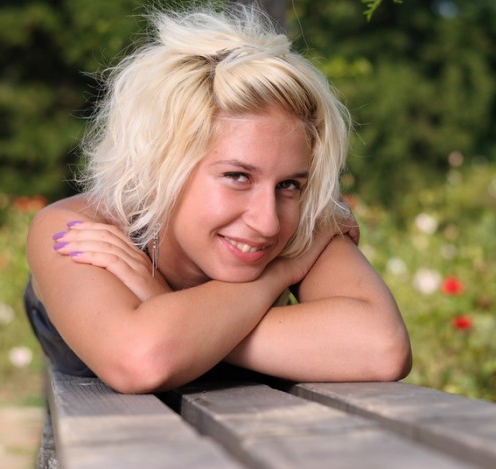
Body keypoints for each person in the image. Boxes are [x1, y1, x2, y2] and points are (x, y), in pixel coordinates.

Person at [25, 2, 412, 394]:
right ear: (161, 165)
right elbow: (140, 360)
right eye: (238, 177)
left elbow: (381, 347)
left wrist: (169, 312)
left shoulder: (307, 219)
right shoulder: (80, 230)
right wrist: (280, 273)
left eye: (289, 184)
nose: (268, 222)